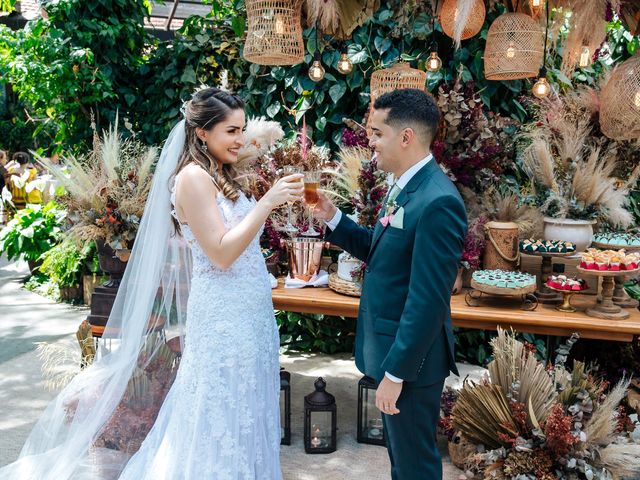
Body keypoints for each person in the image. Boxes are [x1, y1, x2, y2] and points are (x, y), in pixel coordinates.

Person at [0, 87, 303, 480]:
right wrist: (267, 202)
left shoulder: (218, 174)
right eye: (231, 131)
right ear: (201, 133)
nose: (241, 140)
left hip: (251, 312)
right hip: (223, 316)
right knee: (218, 404)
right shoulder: (193, 178)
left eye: (242, 130)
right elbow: (221, 253)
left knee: (247, 401)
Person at [311, 88, 467, 479]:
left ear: (406, 137)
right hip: (392, 353)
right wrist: (333, 219)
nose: (370, 142)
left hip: (411, 363)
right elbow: (383, 252)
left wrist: (396, 374)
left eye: (377, 133)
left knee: (415, 465)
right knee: (402, 459)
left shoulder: (438, 202)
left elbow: (428, 301)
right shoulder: (405, 185)